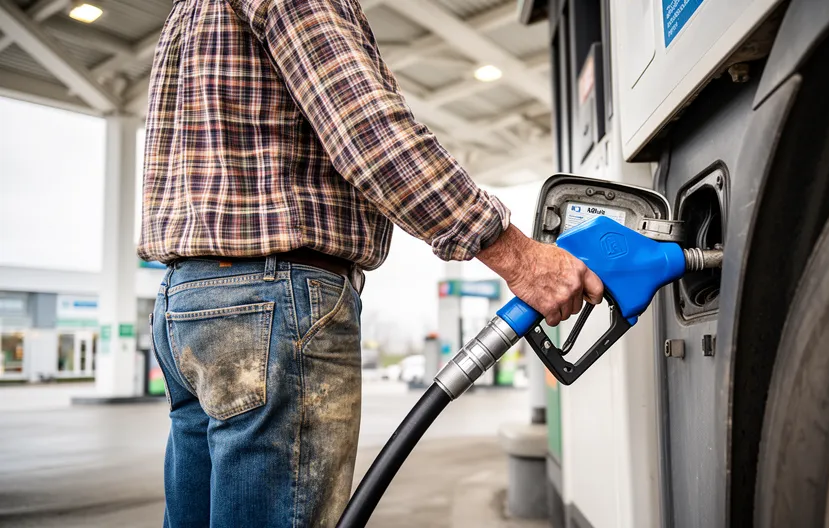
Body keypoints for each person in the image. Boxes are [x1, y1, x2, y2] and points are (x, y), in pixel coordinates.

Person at [137, 0, 603, 526]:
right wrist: (520, 257)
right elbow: (370, 134)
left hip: (186, 300)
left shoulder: (188, 12)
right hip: (272, 303)